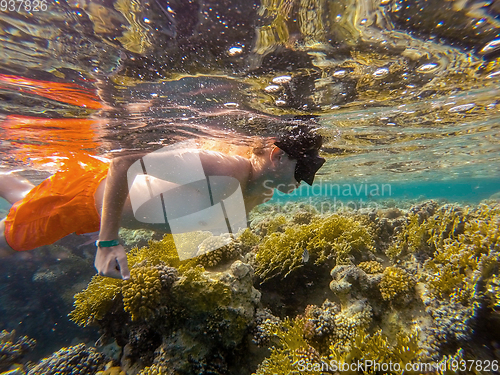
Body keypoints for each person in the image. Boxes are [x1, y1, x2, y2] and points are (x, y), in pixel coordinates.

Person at [0, 125, 325, 279]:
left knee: (24, 197)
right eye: (305, 170)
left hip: (92, 203)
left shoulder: (260, 189)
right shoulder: (225, 168)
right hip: (79, 202)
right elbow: (122, 162)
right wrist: (108, 241)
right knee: (11, 237)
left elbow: (176, 209)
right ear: (277, 155)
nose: (307, 180)